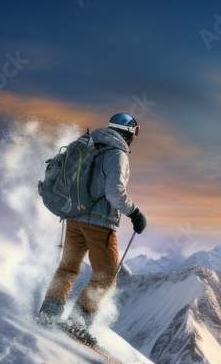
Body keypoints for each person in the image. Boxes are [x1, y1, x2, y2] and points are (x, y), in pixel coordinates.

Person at [36, 112, 148, 345]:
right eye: (134, 134)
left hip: (74, 218)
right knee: (105, 276)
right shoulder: (117, 154)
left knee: (67, 268)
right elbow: (114, 192)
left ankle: (49, 312)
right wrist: (135, 214)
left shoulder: (88, 145)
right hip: (100, 224)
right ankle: (77, 323)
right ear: (128, 134)